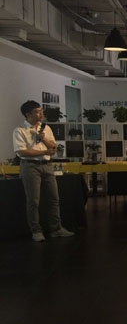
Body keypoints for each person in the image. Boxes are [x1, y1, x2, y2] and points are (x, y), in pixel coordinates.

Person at [12, 101, 75, 242]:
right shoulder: (20, 130)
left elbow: (53, 147)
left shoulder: (46, 128)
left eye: (41, 111)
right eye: (37, 111)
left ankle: (56, 228)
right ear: (28, 114)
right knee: (33, 201)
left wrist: (44, 139)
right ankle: (36, 230)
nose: (41, 114)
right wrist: (44, 152)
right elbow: (21, 152)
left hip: (47, 165)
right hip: (30, 166)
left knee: (54, 198)